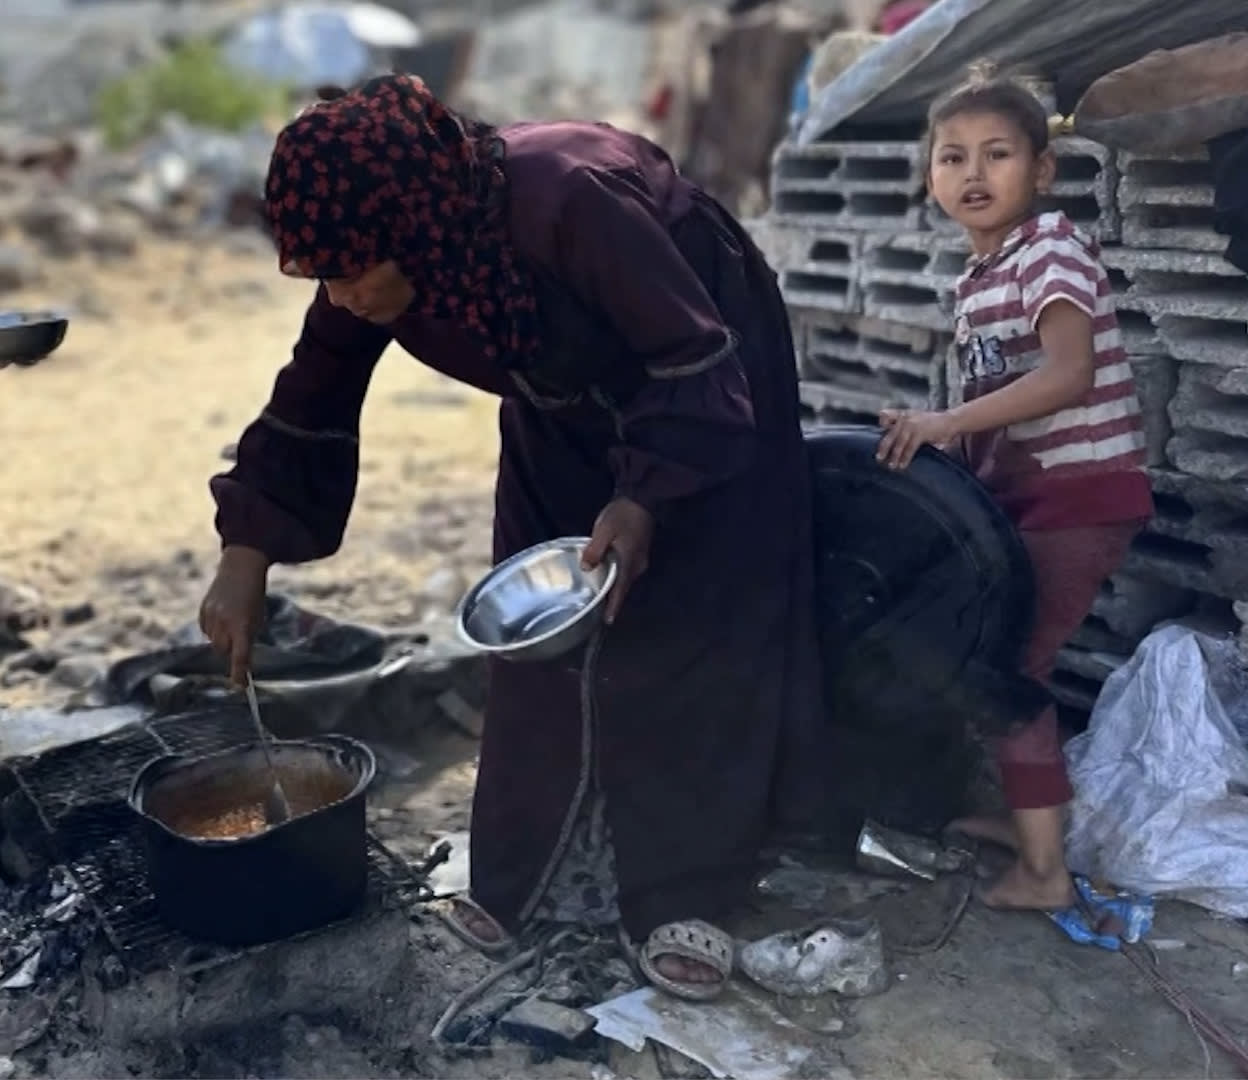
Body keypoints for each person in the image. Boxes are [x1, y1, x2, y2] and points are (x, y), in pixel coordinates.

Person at [197, 74, 825, 999]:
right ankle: (524, 869)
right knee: (537, 615)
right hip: (558, 391)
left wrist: (643, 497)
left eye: (352, 267)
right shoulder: (377, 253)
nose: (342, 292)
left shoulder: (571, 203)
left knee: (694, 606)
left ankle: (686, 884)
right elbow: (311, 394)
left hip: (703, 366)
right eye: (320, 271)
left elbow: (687, 359)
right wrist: (243, 557)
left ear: (415, 224)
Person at [877, 65, 1153, 911]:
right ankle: (1032, 822)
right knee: (996, 657)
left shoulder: (1051, 251)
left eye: (996, 154)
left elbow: (1068, 376)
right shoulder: (982, 279)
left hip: (1078, 498)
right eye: (951, 157)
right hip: (1028, 502)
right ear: (930, 178)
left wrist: (943, 426)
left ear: (1041, 171)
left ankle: (1045, 873)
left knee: (1010, 670)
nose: (972, 174)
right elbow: (994, 408)